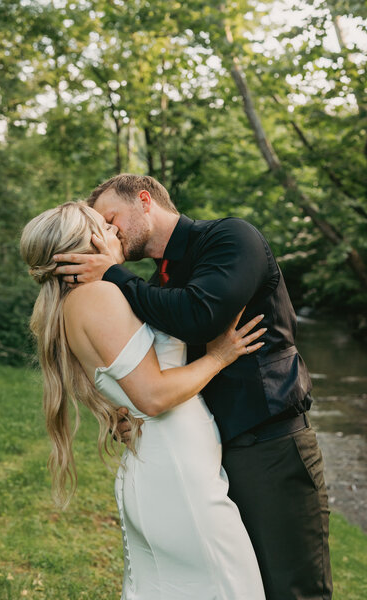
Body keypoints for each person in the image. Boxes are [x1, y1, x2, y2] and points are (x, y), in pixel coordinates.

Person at [54, 174, 333, 600]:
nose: (106, 233)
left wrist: (114, 274)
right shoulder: (155, 284)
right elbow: (140, 362)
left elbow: (201, 316)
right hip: (206, 455)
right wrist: (127, 410)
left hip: (269, 445)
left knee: (293, 590)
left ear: (144, 200)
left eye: (111, 218)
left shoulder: (229, 238)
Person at [20, 201, 267, 600]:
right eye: (105, 227)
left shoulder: (87, 299)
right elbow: (153, 397)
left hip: (169, 463)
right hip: (176, 471)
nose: (116, 233)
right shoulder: (99, 296)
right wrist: (219, 356)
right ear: (85, 243)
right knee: (231, 587)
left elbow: (129, 385)